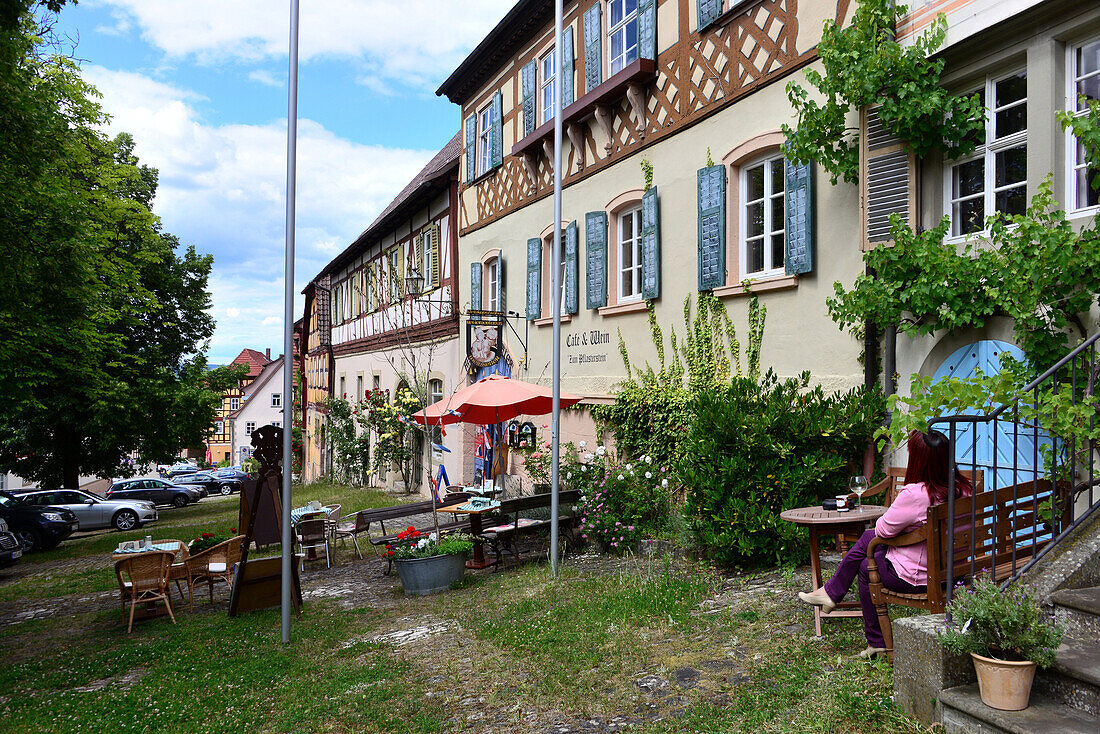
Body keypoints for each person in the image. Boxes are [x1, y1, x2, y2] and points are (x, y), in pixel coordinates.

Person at [798, 430, 973, 658]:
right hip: (954, 574)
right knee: (871, 547)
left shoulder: (916, 494)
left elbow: (883, 530)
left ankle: (873, 639)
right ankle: (831, 594)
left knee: (867, 553)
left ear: (918, 460)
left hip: (922, 578)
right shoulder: (966, 489)